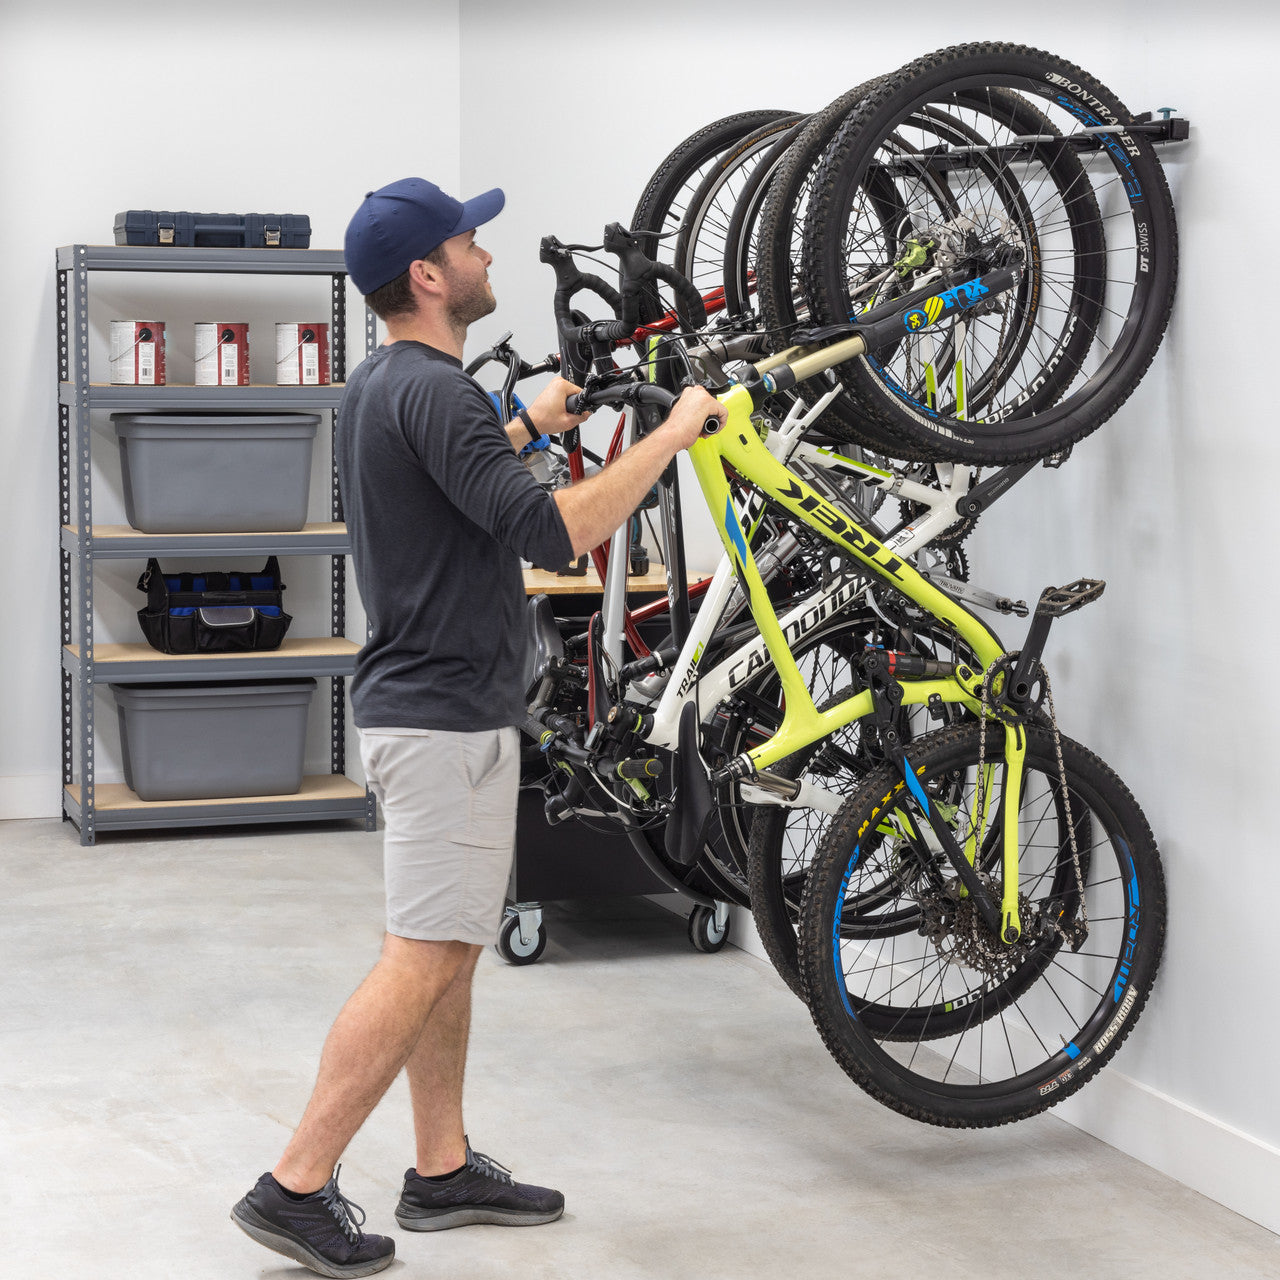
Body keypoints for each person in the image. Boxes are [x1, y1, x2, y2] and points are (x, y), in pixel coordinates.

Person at [230, 177, 726, 1277]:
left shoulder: (387, 386)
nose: (485, 257)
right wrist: (678, 433)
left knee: (447, 953)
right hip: (445, 718)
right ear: (426, 274)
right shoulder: (436, 394)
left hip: (428, 709)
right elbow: (558, 531)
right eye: (468, 242)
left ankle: (440, 1165)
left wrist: (528, 421)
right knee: (424, 955)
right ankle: (295, 1182)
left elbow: (468, 481)